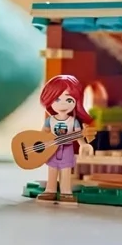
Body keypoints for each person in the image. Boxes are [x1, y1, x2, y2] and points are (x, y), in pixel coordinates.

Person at [37, 74, 93, 205]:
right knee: (52, 170)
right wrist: (40, 143)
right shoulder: (50, 120)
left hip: (67, 149)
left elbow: (78, 135)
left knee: (66, 171)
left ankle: (66, 192)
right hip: (52, 150)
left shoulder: (73, 121)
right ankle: (50, 190)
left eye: (68, 100)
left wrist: (83, 144)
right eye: (57, 99)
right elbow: (42, 134)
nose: (62, 103)